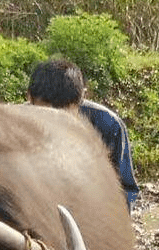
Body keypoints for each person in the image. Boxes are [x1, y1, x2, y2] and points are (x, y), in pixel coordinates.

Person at [27, 58, 139, 212]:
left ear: (80, 99)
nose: (54, 123)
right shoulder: (14, 124)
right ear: (29, 98)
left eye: (63, 116)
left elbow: (125, 189)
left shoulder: (107, 125)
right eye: (46, 114)